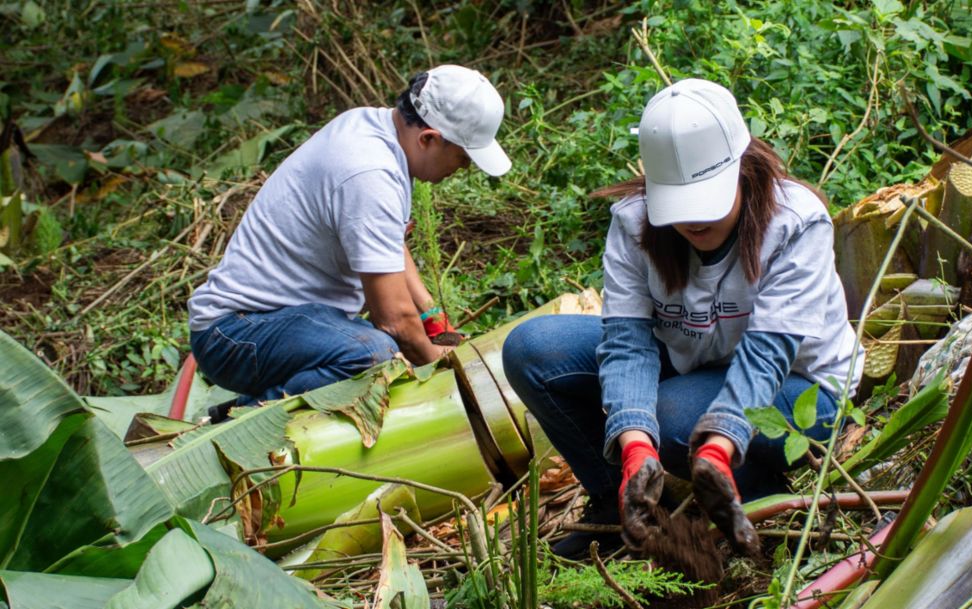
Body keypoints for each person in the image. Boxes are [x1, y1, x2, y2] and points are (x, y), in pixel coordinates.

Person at [502, 79, 864, 559]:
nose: (693, 223)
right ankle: (624, 503)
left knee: (673, 413)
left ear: (742, 167)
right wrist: (634, 447)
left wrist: (718, 444)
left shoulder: (795, 223)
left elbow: (768, 354)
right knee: (533, 349)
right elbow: (627, 343)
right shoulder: (635, 223)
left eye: (706, 201)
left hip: (801, 386)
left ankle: (754, 491)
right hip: (695, 362)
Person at [188, 65, 511, 406]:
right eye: (462, 157)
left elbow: (386, 243)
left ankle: (244, 411)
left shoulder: (374, 128)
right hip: (237, 333)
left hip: (279, 322)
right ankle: (237, 423)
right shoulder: (370, 172)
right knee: (374, 354)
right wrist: (458, 383)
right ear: (429, 138)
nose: (463, 168)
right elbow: (395, 322)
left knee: (378, 348)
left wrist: (432, 317)